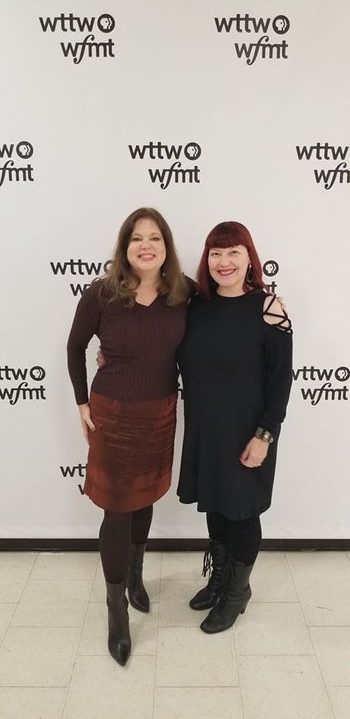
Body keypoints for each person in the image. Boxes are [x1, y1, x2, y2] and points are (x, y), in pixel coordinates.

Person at [67, 207, 191, 666]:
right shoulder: (101, 294)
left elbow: (227, 309)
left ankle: (136, 576)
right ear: (125, 247)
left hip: (160, 412)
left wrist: (266, 304)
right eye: (137, 238)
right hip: (113, 416)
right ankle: (115, 606)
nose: (146, 245)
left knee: (146, 497)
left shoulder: (183, 293)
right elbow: (75, 345)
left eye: (154, 238)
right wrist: (82, 402)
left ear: (165, 248)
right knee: (117, 510)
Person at [176, 221, 293, 633]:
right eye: (215, 253)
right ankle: (221, 578)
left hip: (249, 432)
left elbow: (282, 378)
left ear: (249, 259)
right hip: (207, 429)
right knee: (217, 504)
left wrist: (265, 435)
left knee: (241, 512)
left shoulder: (268, 307)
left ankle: (238, 593)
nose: (223, 261)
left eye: (233, 252)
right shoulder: (197, 307)